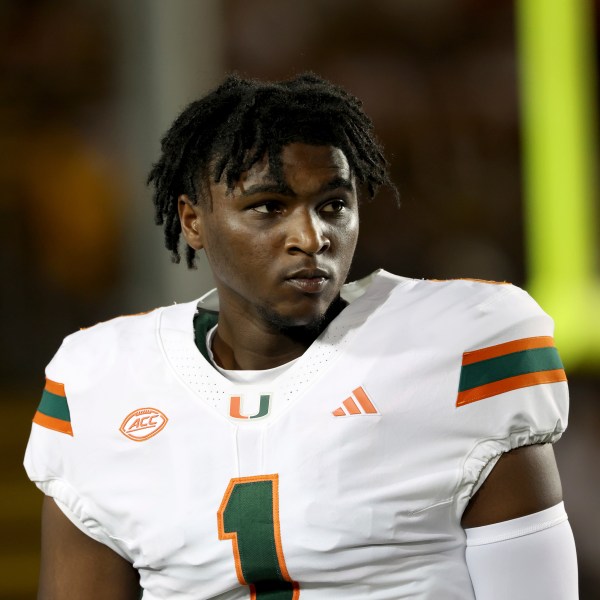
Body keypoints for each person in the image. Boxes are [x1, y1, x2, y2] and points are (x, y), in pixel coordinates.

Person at [25, 73, 578, 599]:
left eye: (333, 206)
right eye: (269, 207)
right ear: (193, 222)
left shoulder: (461, 341)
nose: (312, 237)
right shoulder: (102, 380)